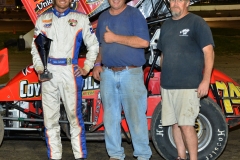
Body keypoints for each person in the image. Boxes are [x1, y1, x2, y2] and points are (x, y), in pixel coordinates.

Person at [31, 0, 99, 160]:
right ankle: (54, 157)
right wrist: (40, 69)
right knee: (50, 120)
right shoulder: (43, 19)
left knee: (74, 118)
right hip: (49, 73)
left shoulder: (80, 18)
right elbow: (35, 49)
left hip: (70, 72)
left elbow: (94, 45)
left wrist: (86, 67)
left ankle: (80, 156)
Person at [92, 0, 152, 160]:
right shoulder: (103, 17)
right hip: (108, 74)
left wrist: (115, 38)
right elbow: (102, 45)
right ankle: (115, 155)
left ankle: (143, 155)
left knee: (136, 117)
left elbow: (144, 42)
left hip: (130, 74)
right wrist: (97, 63)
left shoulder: (135, 14)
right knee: (110, 118)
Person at [157, 0, 215, 160]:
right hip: (168, 86)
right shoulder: (166, 26)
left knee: (186, 125)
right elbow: (163, 55)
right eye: (173, 0)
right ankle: (181, 157)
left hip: (189, 86)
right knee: (174, 124)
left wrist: (206, 80)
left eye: (180, 0)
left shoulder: (197, 22)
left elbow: (208, 52)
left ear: (187, 2)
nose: (175, 3)